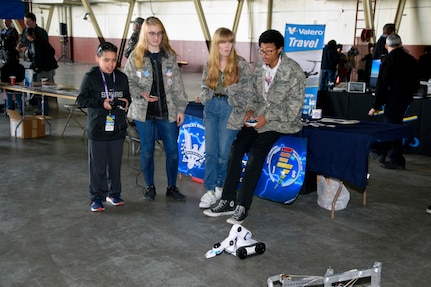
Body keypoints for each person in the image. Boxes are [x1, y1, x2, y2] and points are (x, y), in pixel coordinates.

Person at [203, 29, 306, 224]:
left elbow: (294, 107)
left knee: (256, 155)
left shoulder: (294, 71)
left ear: (280, 50)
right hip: (258, 120)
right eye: (261, 51)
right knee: (236, 148)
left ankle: (242, 205)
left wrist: (265, 118)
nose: (264, 55)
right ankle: (227, 200)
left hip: (281, 123)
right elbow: (255, 97)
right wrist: (250, 112)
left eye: (269, 51)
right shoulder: (260, 68)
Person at [123, 16, 188, 201]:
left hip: (167, 111)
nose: (156, 37)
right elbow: (127, 82)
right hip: (143, 112)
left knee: (172, 151)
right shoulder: (135, 56)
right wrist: (140, 93)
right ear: (145, 34)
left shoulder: (169, 56)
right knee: (148, 150)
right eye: (152, 33)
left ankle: (172, 187)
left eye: (159, 33)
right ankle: (149, 186)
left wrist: (181, 108)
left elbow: (177, 85)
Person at [197, 28, 253, 209]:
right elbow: (204, 85)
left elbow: (248, 93)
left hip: (230, 110)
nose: (227, 45)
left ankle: (221, 188)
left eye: (230, 41)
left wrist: (232, 99)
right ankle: (210, 190)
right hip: (211, 108)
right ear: (216, 44)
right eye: (222, 42)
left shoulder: (241, 64)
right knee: (210, 153)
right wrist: (206, 98)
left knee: (223, 154)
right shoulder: (210, 63)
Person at [77, 42, 131, 212]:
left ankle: (113, 193)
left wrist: (126, 102)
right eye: (106, 60)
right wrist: (101, 103)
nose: (110, 64)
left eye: (114, 60)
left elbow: (127, 96)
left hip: (117, 128)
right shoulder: (91, 77)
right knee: (98, 166)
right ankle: (96, 197)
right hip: (98, 129)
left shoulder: (121, 78)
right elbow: (81, 100)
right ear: (97, 59)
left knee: (115, 164)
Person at [368, 34, 419, 170]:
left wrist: (375, 105)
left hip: (392, 99)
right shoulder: (411, 60)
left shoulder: (388, 61)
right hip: (405, 99)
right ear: (401, 43)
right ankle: (382, 152)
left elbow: (381, 85)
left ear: (386, 46)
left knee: (392, 128)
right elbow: (416, 82)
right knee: (393, 125)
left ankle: (395, 158)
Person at [25, 27, 58, 115]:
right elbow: (52, 51)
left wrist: (32, 67)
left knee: (41, 90)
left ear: (29, 36)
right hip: (48, 68)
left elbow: (37, 58)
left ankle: (44, 109)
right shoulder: (43, 41)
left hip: (43, 70)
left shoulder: (35, 44)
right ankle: (42, 108)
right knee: (44, 89)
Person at [1, 49, 25, 115]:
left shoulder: (5, 67)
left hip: (8, 86)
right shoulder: (20, 67)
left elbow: (3, 79)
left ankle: (9, 110)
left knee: (8, 96)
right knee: (18, 97)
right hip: (18, 86)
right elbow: (22, 77)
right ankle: (20, 110)